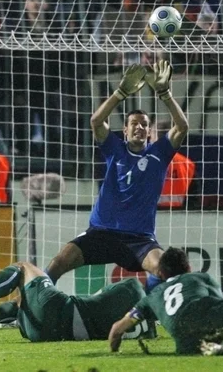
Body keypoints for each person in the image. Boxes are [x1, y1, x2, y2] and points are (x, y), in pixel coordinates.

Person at [45, 60, 188, 288]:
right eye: (134, 123)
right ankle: (27, 304)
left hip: (138, 238)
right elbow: (96, 121)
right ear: (125, 129)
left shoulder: (159, 153)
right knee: (59, 261)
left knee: (165, 269)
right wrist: (120, 93)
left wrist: (165, 93)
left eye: (144, 124)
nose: (139, 127)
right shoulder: (115, 148)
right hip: (101, 232)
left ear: (150, 132)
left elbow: (182, 126)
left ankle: (149, 314)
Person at [0, 262, 152, 342]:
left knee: (24, 269)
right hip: (49, 334)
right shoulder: (146, 327)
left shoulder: (132, 287)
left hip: (59, 312)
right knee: (25, 301)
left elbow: (104, 295)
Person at [150, 120, 197, 209]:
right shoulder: (187, 164)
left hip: (148, 215)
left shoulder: (141, 162)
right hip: (178, 216)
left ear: (151, 138)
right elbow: (193, 200)